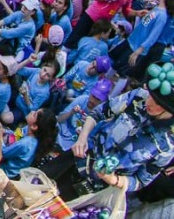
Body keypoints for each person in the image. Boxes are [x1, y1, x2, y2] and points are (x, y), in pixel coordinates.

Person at [41, 62, 174, 200]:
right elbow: (98, 113)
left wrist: (113, 180)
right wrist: (83, 138)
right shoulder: (139, 96)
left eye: (158, 103)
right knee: (36, 187)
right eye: (151, 96)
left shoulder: (169, 144)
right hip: (78, 157)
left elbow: (142, 180)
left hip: (96, 188)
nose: (150, 103)